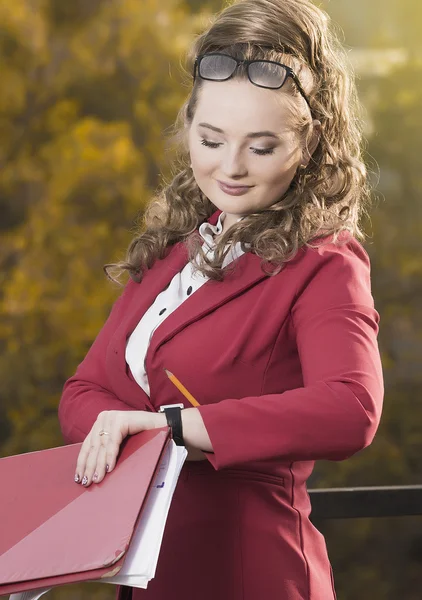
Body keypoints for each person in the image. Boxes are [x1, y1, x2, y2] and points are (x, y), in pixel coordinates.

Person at [58, 0, 384, 598]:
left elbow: (352, 408)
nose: (230, 168)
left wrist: (174, 429)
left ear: (309, 145)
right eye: (211, 139)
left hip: (247, 573)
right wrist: (116, 428)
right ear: (189, 126)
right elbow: (83, 392)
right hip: (146, 573)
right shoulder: (171, 249)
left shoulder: (325, 262)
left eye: (261, 148)